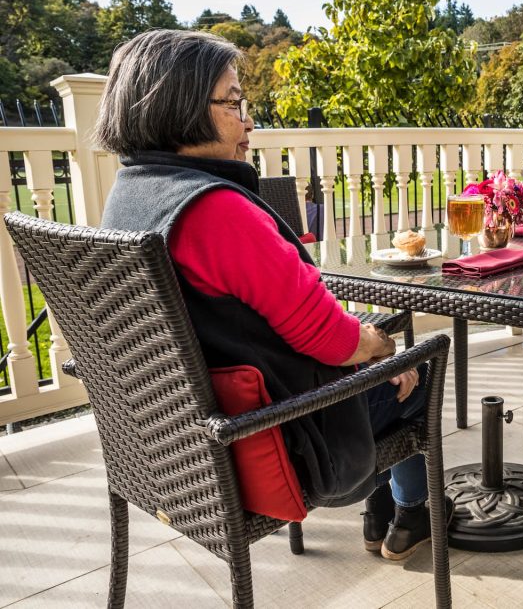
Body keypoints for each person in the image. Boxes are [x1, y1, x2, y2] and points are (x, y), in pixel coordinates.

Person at [96, 29, 447, 562]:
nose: (249, 120)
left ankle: (380, 517)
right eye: (234, 101)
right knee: (415, 372)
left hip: (178, 444)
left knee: (375, 365)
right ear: (182, 105)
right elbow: (331, 341)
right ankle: (412, 513)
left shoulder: (130, 193)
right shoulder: (216, 211)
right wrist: (377, 347)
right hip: (278, 442)